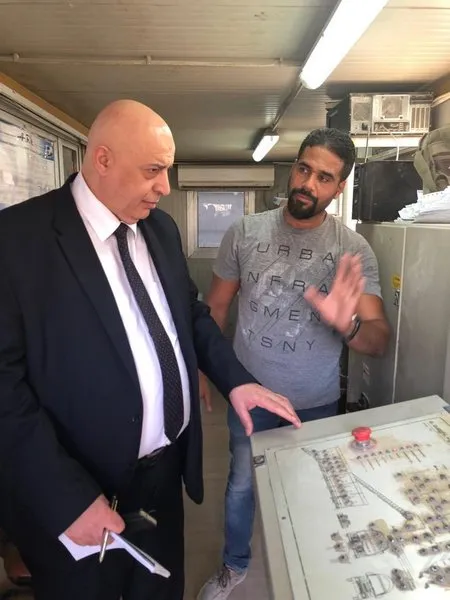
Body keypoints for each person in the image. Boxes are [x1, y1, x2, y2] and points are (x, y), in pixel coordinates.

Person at [0, 99, 301, 600]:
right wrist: (66, 498)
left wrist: (236, 381)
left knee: (160, 589)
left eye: (167, 170)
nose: (165, 187)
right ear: (102, 159)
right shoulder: (17, 242)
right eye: (152, 171)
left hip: (163, 476)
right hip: (80, 485)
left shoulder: (159, 229)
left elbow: (191, 316)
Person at [197, 127, 390, 600]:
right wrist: (203, 368)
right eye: (304, 169)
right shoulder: (245, 232)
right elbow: (215, 308)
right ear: (294, 166)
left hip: (316, 402)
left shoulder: (353, 250)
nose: (308, 183)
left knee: (311, 491)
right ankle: (234, 566)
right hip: (250, 395)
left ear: (339, 187)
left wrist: (346, 325)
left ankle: (310, 575)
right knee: (241, 486)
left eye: (324, 177)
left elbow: (379, 339)